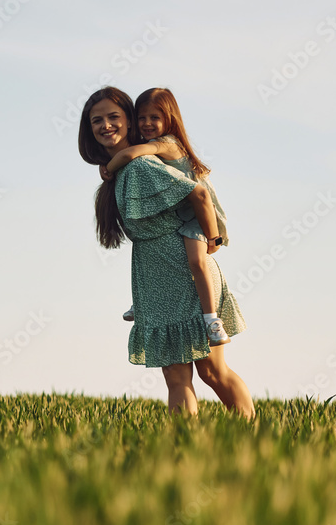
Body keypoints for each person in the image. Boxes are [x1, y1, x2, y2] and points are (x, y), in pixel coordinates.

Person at [78, 86, 254, 419]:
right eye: (96, 120)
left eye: (113, 117)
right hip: (154, 277)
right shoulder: (122, 172)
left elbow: (198, 194)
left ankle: (251, 433)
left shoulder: (142, 166)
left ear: (129, 122)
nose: (105, 126)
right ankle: (182, 450)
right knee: (176, 377)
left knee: (211, 372)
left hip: (185, 273)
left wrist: (213, 238)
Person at [99, 87, 231, 346]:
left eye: (154, 118)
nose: (147, 123)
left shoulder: (165, 144)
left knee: (196, 262)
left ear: (169, 119)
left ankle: (212, 320)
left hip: (196, 218)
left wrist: (108, 170)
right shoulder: (155, 145)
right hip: (182, 214)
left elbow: (128, 154)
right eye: (142, 118)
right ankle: (142, 301)